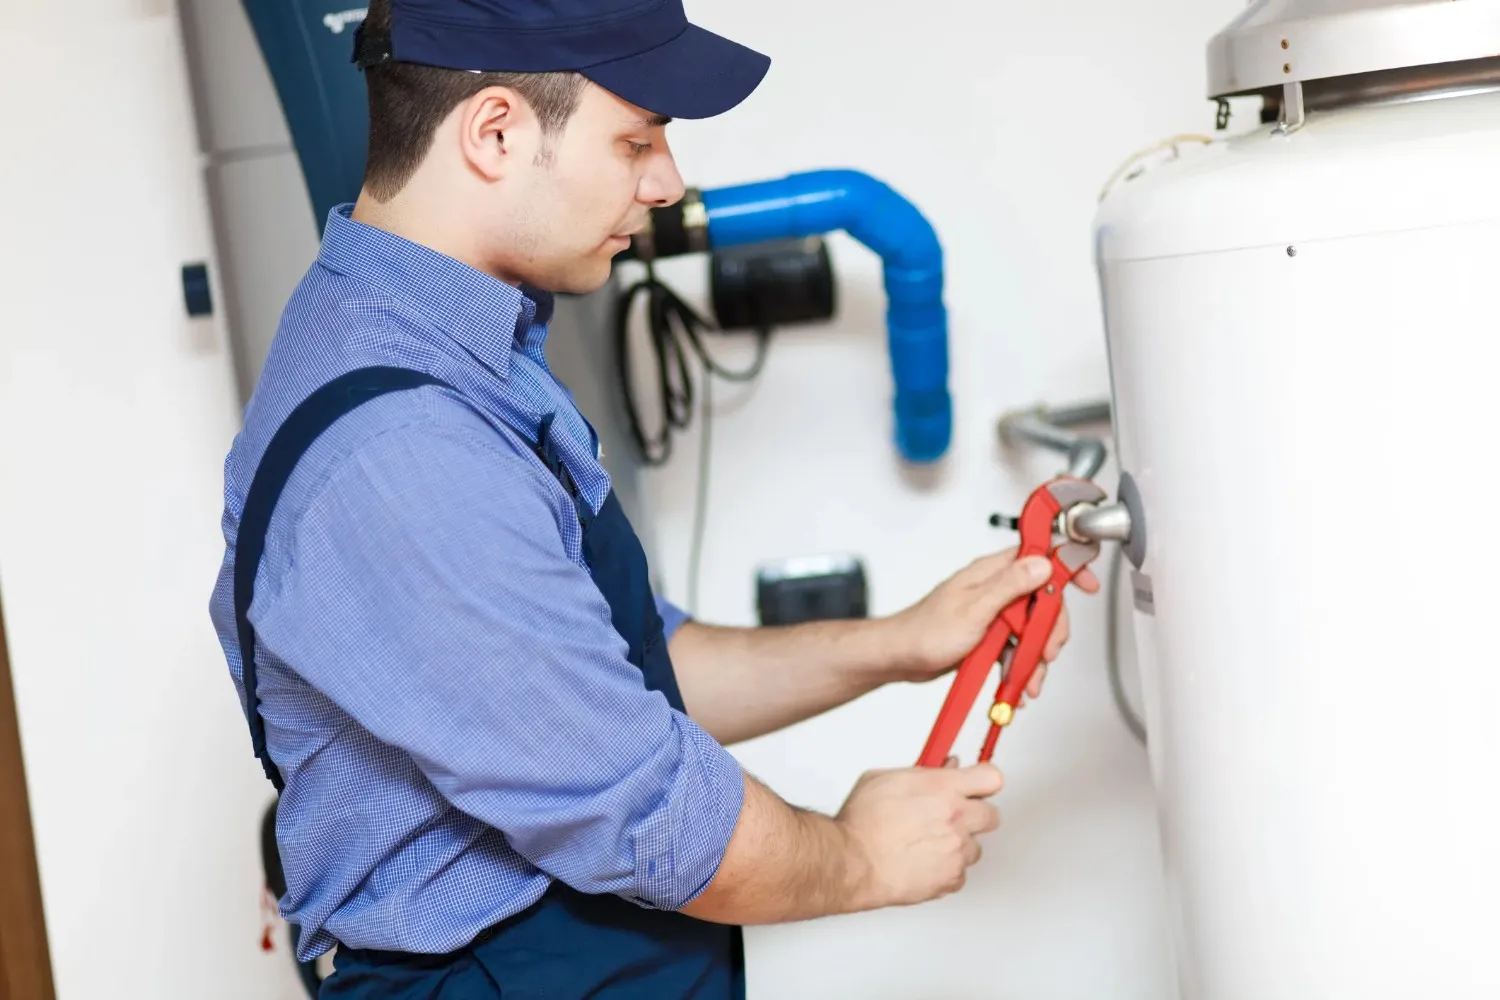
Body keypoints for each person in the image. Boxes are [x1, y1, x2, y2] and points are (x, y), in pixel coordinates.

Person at [207, 1, 1098, 997]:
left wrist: (899, 642)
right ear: (496, 133)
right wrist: (861, 857)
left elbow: (622, 671)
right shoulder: (403, 450)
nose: (668, 183)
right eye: (636, 140)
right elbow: (650, 812)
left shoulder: (455, 347)